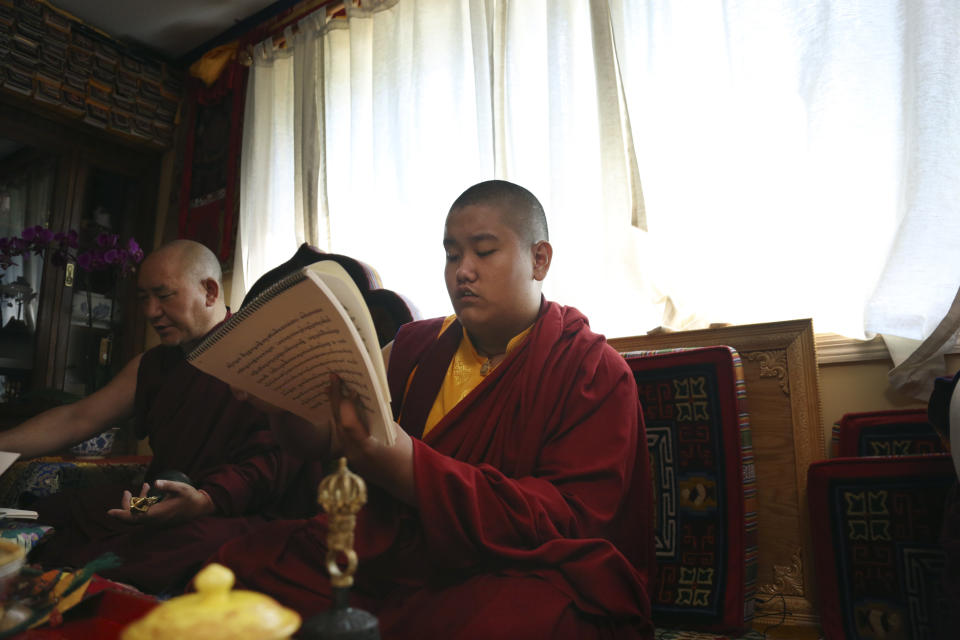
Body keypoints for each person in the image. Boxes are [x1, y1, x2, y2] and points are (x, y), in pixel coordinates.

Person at [215, 180, 655, 639]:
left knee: (516, 620)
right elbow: (322, 437)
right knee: (243, 566)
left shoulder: (589, 368)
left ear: (539, 259)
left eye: (483, 252)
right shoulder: (416, 346)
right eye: (451, 255)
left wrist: (407, 466)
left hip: (517, 568)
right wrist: (280, 403)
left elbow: (570, 522)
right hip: (402, 556)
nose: (463, 271)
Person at [0, 239, 320, 594]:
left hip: (230, 508)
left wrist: (205, 500)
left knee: (176, 547)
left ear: (210, 292)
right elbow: (78, 419)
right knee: (64, 510)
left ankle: (89, 584)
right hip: (157, 498)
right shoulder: (154, 365)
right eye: (143, 298)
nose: (151, 311)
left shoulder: (259, 358)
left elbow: (274, 462)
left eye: (164, 295)